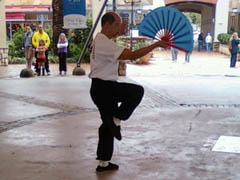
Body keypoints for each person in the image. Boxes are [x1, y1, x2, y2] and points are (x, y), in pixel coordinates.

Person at [89, 12, 169, 173]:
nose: (119, 28)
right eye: (117, 25)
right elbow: (131, 56)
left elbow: (116, 43)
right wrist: (155, 45)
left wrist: (120, 31)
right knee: (136, 91)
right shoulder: (104, 43)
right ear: (107, 25)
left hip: (102, 87)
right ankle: (117, 119)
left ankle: (103, 163)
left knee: (106, 127)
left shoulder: (102, 39)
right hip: (104, 89)